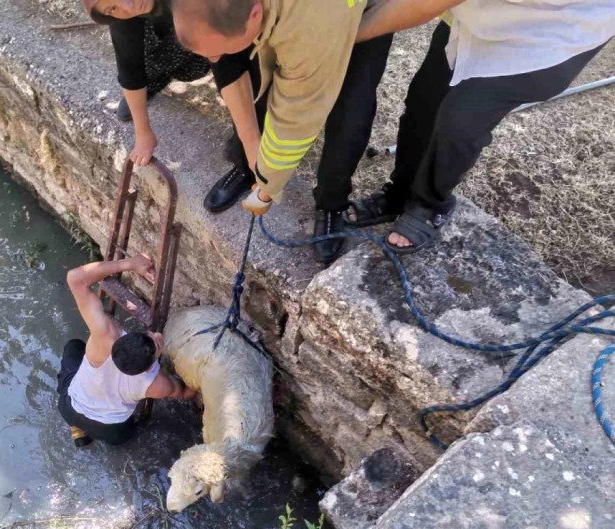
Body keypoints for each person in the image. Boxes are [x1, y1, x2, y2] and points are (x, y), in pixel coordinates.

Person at [346, 0, 614, 254]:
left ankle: (428, 203)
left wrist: (343, 37)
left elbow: (423, 5)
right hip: (485, 11)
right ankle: (401, 191)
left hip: (554, 28)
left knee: (461, 121)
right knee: (424, 100)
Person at [172, 0, 396, 263]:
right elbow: (228, 61)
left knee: (351, 107)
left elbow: (296, 117)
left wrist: (268, 186)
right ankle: (247, 166)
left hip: (355, 10)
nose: (211, 61)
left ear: (255, 13)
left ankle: (331, 202)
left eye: (215, 52)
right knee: (256, 75)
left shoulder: (308, 31)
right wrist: (252, 148)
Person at [57, 254, 195, 448]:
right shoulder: (156, 384)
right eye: (156, 344)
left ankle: (76, 427)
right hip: (109, 429)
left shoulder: (104, 336)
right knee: (126, 436)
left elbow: (75, 278)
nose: (157, 335)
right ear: (148, 368)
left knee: (73, 347)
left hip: (69, 408)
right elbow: (185, 393)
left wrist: (129, 264)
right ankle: (104, 433)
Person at [82, 0, 211, 166]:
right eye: (112, 8)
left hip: (207, 26)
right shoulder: (124, 12)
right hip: (166, 33)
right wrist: (143, 133)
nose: (128, 7)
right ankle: (153, 81)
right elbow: (129, 69)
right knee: (140, 47)